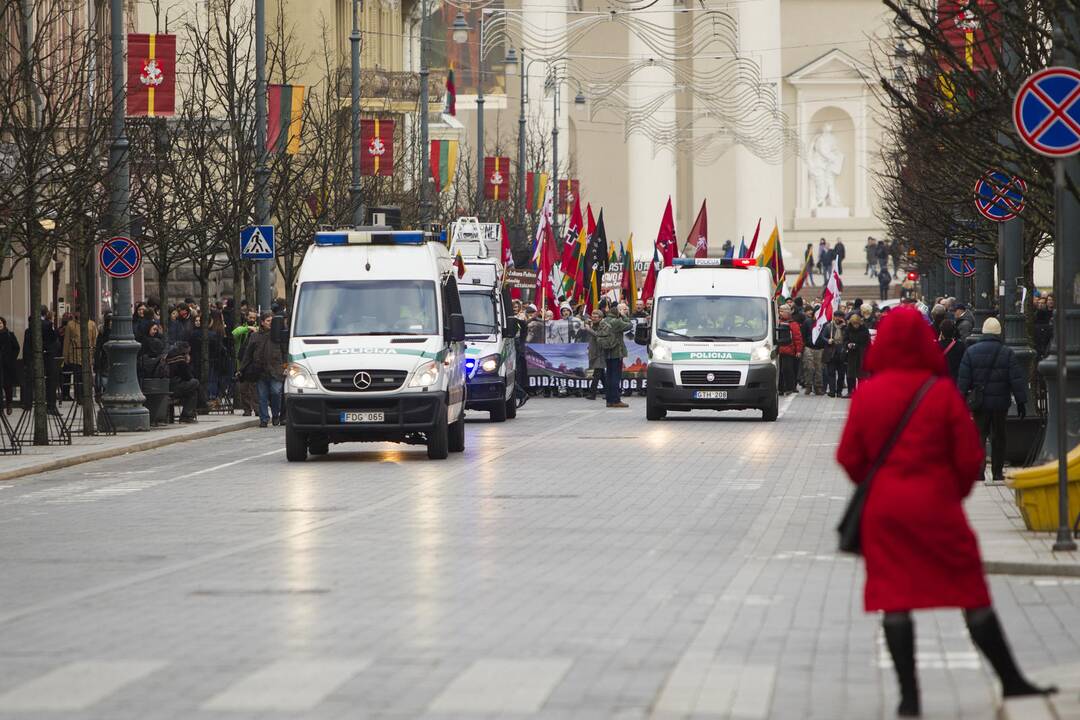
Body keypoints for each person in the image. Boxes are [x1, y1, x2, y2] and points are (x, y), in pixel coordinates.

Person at [837, 307, 1053, 718]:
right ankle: (1010, 678)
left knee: (895, 599)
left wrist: (879, 482)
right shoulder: (939, 394)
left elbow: (849, 457)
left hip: (885, 513)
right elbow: (970, 456)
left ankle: (909, 698)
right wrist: (950, 492)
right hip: (937, 507)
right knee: (969, 590)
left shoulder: (868, 394)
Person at [957, 317, 1027, 483]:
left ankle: (980, 471)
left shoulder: (971, 351)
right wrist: (1021, 401)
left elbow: (963, 380)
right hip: (1000, 402)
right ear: (998, 333)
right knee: (999, 437)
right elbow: (1015, 379)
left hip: (979, 403)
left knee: (980, 435)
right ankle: (997, 472)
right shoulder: (1007, 352)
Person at [239, 312, 285, 427]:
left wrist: (285, 366)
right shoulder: (255, 336)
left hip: (276, 370)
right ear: (263, 322)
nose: (271, 323)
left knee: (276, 392)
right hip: (260, 371)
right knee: (262, 396)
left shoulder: (279, 335)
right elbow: (248, 354)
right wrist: (242, 369)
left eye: (272, 321)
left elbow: (285, 351)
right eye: (268, 321)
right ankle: (264, 419)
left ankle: (276, 415)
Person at [597, 300, 631, 408]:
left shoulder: (603, 321)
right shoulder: (617, 322)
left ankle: (609, 400)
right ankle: (616, 400)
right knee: (616, 377)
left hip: (607, 352)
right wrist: (623, 315)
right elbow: (629, 325)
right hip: (616, 352)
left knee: (609, 376)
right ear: (617, 313)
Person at [61, 313, 97, 403]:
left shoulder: (91, 324)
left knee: (86, 377)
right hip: (75, 355)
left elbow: (94, 340)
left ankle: (86, 396)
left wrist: (94, 355)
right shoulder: (71, 325)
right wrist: (65, 357)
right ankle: (79, 397)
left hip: (87, 355)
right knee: (78, 377)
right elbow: (67, 341)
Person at [165, 340, 199, 423]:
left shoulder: (170, 356)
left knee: (192, 392)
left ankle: (188, 415)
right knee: (195, 383)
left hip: (167, 386)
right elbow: (188, 377)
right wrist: (187, 363)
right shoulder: (180, 359)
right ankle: (187, 416)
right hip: (174, 387)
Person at [577, 309, 607, 400]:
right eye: (592, 317)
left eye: (596, 317)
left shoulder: (603, 325)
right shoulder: (592, 325)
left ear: (600, 318)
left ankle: (592, 393)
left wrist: (589, 329)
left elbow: (598, 335)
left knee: (597, 374)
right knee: (601, 375)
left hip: (600, 352)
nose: (593, 319)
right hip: (594, 351)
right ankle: (608, 392)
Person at [777, 306, 804, 395]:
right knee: (779, 371)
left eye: (782, 311)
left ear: (788, 312)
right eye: (779, 311)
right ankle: (780, 388)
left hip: (788, 351)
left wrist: (798, 350)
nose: (780, 313)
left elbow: (798, 338)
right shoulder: (777, 322)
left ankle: (789, 387)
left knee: (787, 370)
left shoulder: (793, 324)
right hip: (777, 351)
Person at [843, 312, 870, 396]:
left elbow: (867, 342)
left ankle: (862, 391)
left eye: (857, 324)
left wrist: (857, 345)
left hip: (861, 353)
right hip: (851, 354)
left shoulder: (864, 329)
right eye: (854, 324)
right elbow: (845, 339)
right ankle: (851, 391)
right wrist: (848, 344)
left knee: (861, 373)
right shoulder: (848, 329)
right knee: (850, 374)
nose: (855, 326)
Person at [824, 314, 847, 397]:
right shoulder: (829, 326)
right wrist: (827, 340)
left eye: (839, 316)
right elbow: (823, 336)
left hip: (842, 353)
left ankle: (839, 391)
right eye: (836, 316)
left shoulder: (845, 327)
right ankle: (832, 391)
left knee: (841, 374)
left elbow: (848, 337)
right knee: (831, 373)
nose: (838, 318)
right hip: (831, 353)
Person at [0, 317, 19, 415]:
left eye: (0, 323)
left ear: (4, 324)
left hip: (7, 365)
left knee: (8, 387)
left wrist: (12, 359)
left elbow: (16, 347)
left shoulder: (10, 335)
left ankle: (9, 405)